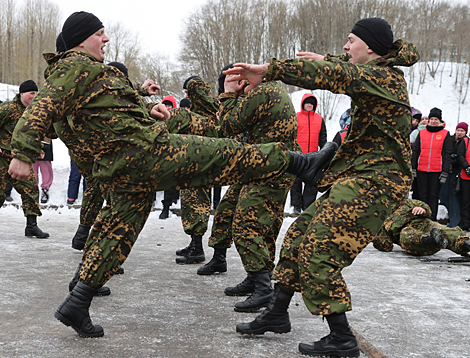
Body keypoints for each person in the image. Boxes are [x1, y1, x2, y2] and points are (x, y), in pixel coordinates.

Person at [8, 11, 336, 338]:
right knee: (226, 154)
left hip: (125, 167)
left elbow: (102, 111)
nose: (106, 39)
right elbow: (42, 107)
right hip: (146, 154)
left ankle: (77, 301)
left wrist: (144, 109)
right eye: (100, 34)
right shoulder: (74, 66)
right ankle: (300, 164)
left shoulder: (84, 73)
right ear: (81, 39)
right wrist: (22, 153)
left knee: (116, 231)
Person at [224, 17, 419, 357]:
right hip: (359, 178)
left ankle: (341, 338)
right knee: (299, 235)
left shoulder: (384, 79)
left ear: (370, 46)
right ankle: (278, 312)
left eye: (350, 40)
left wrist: (270, 70)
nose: (346, 47)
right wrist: (323, 60)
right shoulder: (375, 72)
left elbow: (340, 75)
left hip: (377, 184)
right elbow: (341, 66)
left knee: (320, 252)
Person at [196, 68, 299, 314]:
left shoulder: (262, 92)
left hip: (270, 168)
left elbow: (229, 125)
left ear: (242, 81)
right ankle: (255, 278)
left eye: (232, 83)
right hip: (264, 165)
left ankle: (263, 286)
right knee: (231, 211)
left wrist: (228, 95)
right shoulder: (268, 90)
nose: (232, 88)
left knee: (246, 225)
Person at [0, 80, 49, 239]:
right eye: (31, 93)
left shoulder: (34, 112)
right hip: (2, 158)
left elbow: (34, 135)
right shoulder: (8, 108)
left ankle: (31, 226)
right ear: (22, 94)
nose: (34, 96)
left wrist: (38, 150)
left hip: (21, 158)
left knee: (31, 189)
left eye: (36, 93)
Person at [373, 199, 470, 256]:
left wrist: (422, 209)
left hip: (424, 224)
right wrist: (374, 236)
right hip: (416, 243)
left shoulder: (406, 203)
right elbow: (386, 246)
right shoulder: (380, 222)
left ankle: (465, 244)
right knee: (406, 233)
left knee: (439, 228)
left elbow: (425, 208)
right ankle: (430, 239)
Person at [411, 108, 452, 221]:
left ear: (439, 120)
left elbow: (447, 155)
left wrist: (445, 172)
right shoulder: (422, 133)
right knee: (422, 195)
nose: (433, 121)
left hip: (436, 171)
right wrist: (413, 168)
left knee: (433, 196)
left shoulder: (445, 134)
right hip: (421, 169)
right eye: (431, 119)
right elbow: (415, 151)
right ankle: (422, 220)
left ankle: (432, 220)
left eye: (436, 119)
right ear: (428, 120)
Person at [290, 93, 326, 214]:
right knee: (296, 182)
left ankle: (308, 205)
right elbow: (291, 135)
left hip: (314, 156)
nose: (309, 105)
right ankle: (296, 205)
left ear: (314, 106)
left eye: (311, 103)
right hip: (298, 155)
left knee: (311, 182)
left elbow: (323, 137)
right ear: (303, 104)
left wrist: (323, 152)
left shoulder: (319, 119)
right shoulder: (296, 117)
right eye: (307, 103)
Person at [439, 122, 467, 228]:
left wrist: (453, 162)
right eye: (458, 130)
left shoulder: (466, 142)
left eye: (462, 131)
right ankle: (449, 215)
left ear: (465, 132)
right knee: (443, 194)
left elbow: (462, 157)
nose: (459, 133)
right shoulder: (450, 139)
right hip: (447, 170)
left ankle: (455, 221)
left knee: (454, 196)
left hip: (458, 173)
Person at [159, 95, 181, 220]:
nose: (167, 108)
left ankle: (170, 204)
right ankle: (165, 207)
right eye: (165, 105)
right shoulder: (158, 120)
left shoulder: (179, 120)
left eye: (169, 105)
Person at [33, 136, 54, 203]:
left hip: (45, 149)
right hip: (31, 147)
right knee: (32, 172)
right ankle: (33, 189)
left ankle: (45, 189)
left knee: (46, 171)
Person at [457, 133, 470, 231]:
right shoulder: (466, 141)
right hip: (466, 176)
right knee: (465, 201)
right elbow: (460, 155)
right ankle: (465, 224)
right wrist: (467, 167)